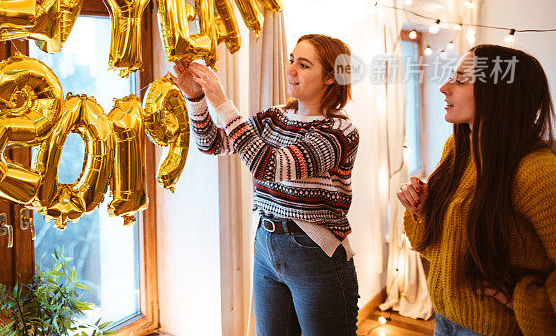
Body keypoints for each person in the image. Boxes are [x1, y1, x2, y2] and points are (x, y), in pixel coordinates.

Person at [172, 33, 360, 336]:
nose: (291, 70)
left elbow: (268, 165)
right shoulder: (275, 117)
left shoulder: (338, 131)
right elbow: (212, 144)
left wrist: (222, 101)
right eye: (291, 60)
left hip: (314, 253)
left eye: (304, 64)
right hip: (267, 243)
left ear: (330, 77)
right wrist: (197, 99)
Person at [398, 44, 556, 335]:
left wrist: (523, 300)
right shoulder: (457, 149)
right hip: (444, 319)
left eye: (460, 80)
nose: (444, 88)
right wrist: (422, 211)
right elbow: (440, 249)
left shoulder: (537, 172)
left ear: (498, 92)